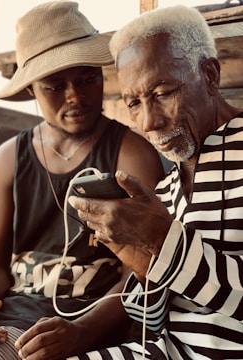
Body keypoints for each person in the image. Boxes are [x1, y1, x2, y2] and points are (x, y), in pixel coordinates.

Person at [0, 2, 165, 359]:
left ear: (101, 74)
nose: (75, 95)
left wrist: (82, 332)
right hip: (13, 318)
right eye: (55, 86)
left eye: (87, 78)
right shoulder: (8, 158)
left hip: (92, 322)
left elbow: (144, 273)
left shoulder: (130, 154)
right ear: (32, 90)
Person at [68, 4, 243, 359]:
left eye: (162, 93)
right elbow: (151, 323)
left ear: (209, 74)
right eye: (133, 102)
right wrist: (145, 269)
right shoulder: (165, 189)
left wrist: (165, 242)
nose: (148, 122)